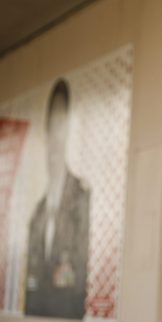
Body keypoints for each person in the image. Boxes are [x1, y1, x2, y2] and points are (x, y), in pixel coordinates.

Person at [25, 79, 90, 319]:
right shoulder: (37, 213)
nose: (56, 134)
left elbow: (80, 279)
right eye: (52, 124)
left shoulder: (82, 197)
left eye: (61, 123)